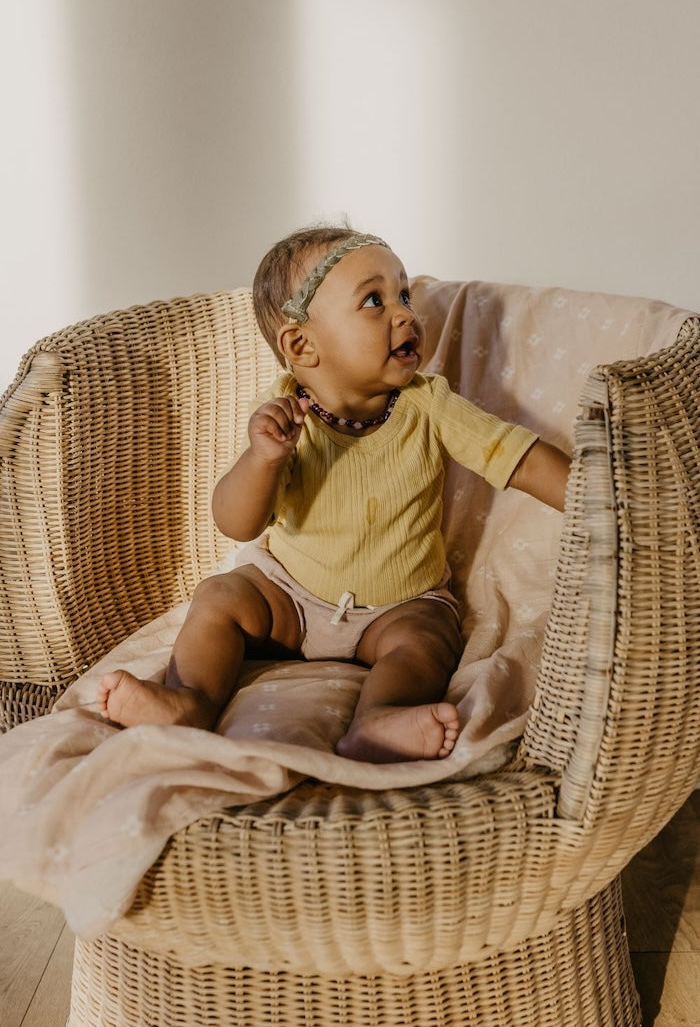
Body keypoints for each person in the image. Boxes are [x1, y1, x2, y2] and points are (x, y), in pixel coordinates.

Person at [96, 226, 571, 763]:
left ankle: (378, 720)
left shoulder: (427, 404)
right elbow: (236, 523)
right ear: (302, 344)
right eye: (374, 300)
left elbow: (516, 455)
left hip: (398, 604)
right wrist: (263, 460)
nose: (404, 315)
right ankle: (189, 700)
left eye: (404, 295)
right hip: (288, 596)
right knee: (220, 596)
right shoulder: (282, 418)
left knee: (428, 639)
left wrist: (595, 497)